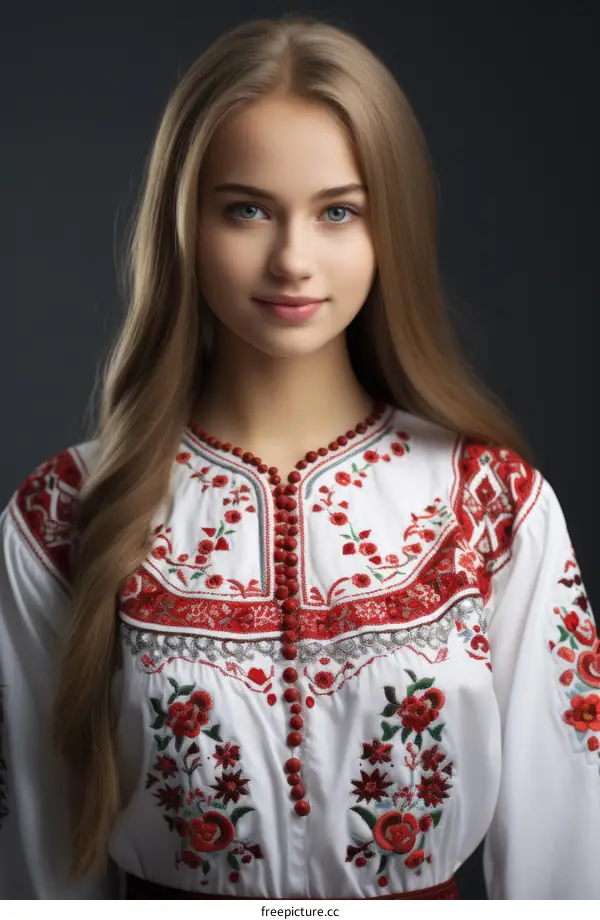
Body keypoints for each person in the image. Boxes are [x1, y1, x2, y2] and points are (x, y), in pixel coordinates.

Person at [0, 14, 598, 901]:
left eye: (338, 212)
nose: (291, 259)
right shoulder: (63, 515)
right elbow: (43, 869)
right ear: (183, 223)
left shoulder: (494, 508)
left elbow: (566, 861)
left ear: (389, 228)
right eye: (246, 209)